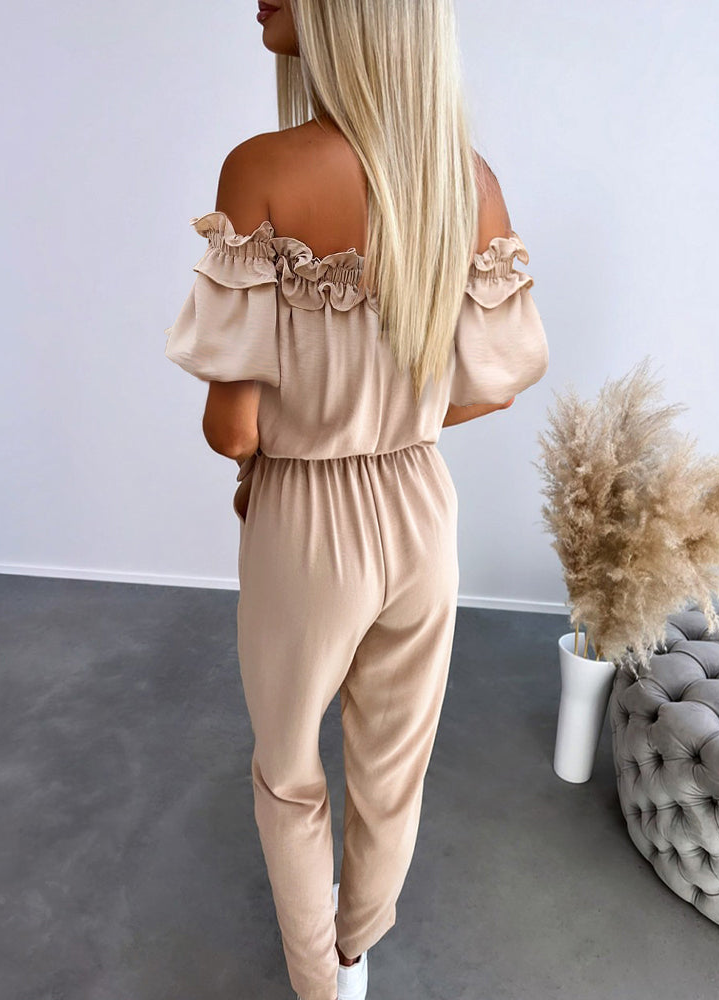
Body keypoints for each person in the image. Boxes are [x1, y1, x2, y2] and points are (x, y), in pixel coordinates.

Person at [164, 2, 549, 998]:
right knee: (392, 764)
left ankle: (316, 983)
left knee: (288, 766)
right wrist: (393, 419)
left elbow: (232, 431)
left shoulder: (260, 168)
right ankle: (355, 943)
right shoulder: (468, 180)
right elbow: (494, 383)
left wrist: (317, 422)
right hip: (421, 505)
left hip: (305, 517)